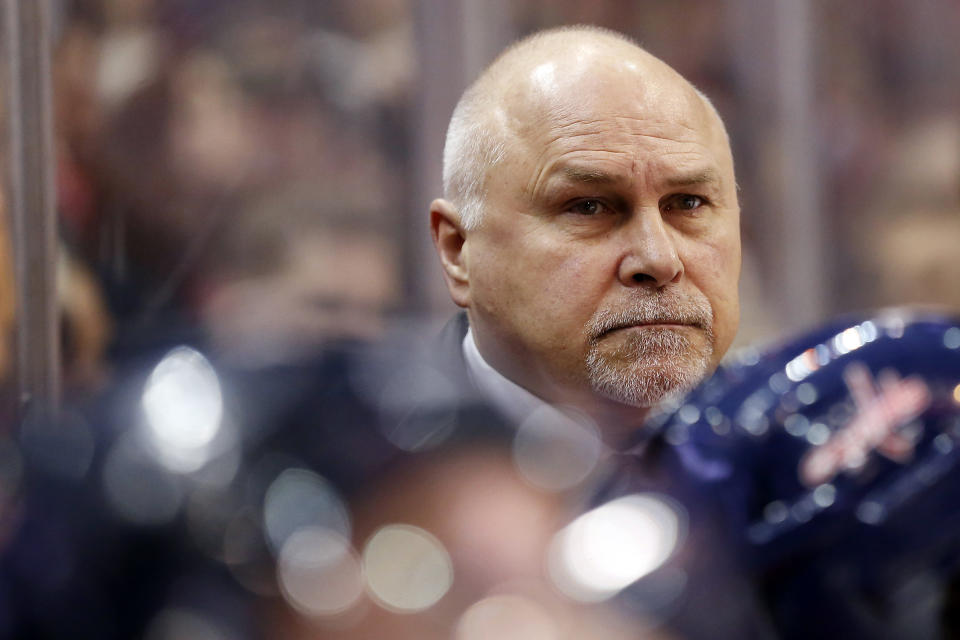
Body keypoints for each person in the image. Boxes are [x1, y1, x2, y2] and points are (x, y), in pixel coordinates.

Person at [429, 25, 741, 440]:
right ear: (458, 250)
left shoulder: (810, 468)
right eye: (588, 207)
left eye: (688, 203)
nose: (660, 260)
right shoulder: (362, 484)